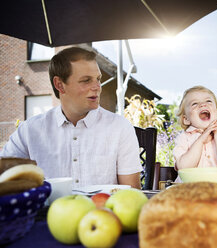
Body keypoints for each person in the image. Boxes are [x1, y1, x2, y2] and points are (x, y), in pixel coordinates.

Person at [0, 47, 142, 189]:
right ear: (59, 85)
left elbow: (132, 193)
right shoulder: (29, 131)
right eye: (86, 80)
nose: (97, 87)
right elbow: (4, 177)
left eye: (98, 79)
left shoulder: (120, 127)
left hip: (103, 210)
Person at [173, 86, 217, 172]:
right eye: (194, 103)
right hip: (191, 185)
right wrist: (201, 140)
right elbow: (184, 168)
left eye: (208, 101)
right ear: (186, 119)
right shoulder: (184, 138)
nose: (203, 104)